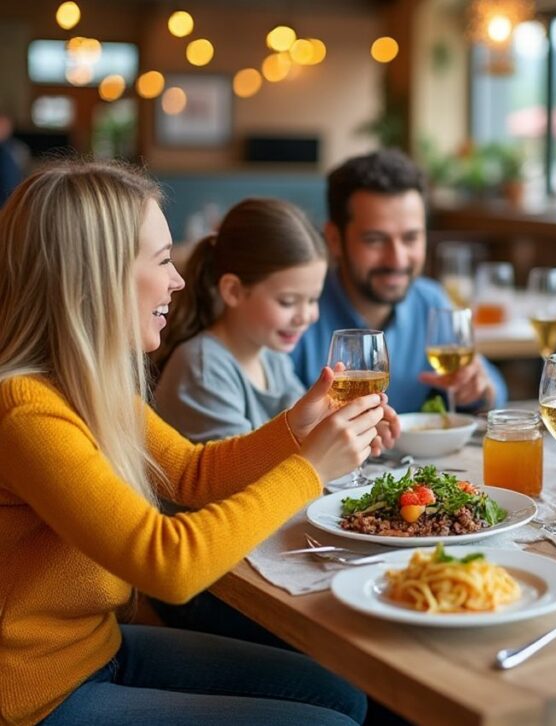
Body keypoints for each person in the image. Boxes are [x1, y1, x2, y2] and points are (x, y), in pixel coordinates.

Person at [0, 159, 399, 725]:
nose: (180, 280)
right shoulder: (24, 410)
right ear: (99, 274)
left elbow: (191, 472)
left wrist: (295, 430)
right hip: (40, 697)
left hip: (98, 650)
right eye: (163, 261)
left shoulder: (87, 382)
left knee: (344, 694)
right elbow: (169, 565)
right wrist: (309, 469)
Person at [290, 149, 507, 413]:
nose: (397, 260)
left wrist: (479, 389)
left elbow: (492, 388)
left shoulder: (431, 301)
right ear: (334, 240)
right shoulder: (296, 315)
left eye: (410, 238)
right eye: (375, 240)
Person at [152, 197, 326, 441]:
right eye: (287, 301)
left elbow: (308, 431)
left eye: (312, 299)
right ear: (233, 291)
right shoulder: (203, 368)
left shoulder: (272, 358)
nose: (306, 316)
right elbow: (236, 472)